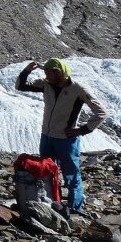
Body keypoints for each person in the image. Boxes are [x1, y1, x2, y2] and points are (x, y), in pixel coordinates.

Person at [16, 58, 109, 213]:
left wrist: (82, 130)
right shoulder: (46, 85)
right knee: (46, 171)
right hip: (47, 136)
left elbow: (102, 113)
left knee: (71, 175)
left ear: (61, 73)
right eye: (46, 73)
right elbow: (20, 86)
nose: (47, 76)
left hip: (67, 139)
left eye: (50, 73)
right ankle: (51, 203)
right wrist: (26, 71)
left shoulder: (78, 89)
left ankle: (75, 208)